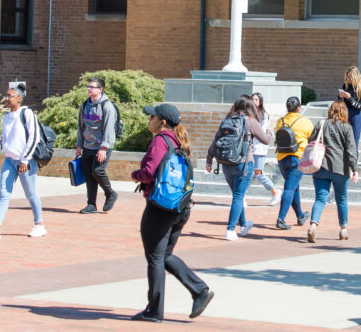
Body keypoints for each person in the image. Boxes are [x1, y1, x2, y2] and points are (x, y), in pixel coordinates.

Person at [130, 103, 214, 323]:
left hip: (160, 208)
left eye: (152, 117)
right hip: (179, 206)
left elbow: (148, 173)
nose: (149, 120)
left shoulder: (160, 140)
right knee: (163, 256)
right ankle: (199, 291)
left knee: (155, 258)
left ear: (162, 122)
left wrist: (135, 174)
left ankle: (154, 311)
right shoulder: (179, 141)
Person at [0, 85, 46, 239]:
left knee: (30, 194)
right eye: (6, 95)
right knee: (4, 193)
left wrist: (25, 159)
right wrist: (6, 148)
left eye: (9, 96)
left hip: (26, 162)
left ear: (19, 98)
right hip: (9, 161)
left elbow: (34, 137)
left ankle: (39, 224)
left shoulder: (27, 114)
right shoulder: (6, 117)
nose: (6, 98)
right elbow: (4, 136)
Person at [205, 96, 272, 240]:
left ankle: (243, 225)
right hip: (244, 163)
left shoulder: (226, 120)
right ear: (250, 107)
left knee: (237, 195)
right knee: (238, 196)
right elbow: (265, 140)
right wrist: (269, 132)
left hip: (226, 162)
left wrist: (209, 158)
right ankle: (230, 230)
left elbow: (216, 139)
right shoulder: (250, 121)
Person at [305, 99, 358, 243]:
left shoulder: (321, 124)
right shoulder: (347, 127)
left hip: (320, 166)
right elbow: (351, 150)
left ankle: (313, 225)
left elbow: (311, 141)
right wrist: (354, 169)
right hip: (340, 168)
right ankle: (343, 229)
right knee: (341, 199)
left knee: (320, 198)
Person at [75, 76, 120, 214]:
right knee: (89, 174)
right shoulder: (85, 105)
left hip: (102, 147)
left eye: (92, 87)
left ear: (100, 89)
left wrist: (103, 148)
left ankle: (110, 193)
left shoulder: (107, 106)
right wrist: (79, 145)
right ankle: (91, 204)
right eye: (88, 87)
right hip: (88, 145)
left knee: (97, 171)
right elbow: (81, 126)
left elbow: (109, 129)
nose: (89, 89)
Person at [272, 96, 314, 230]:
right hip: (297, 158)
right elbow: (312, 138)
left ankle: (300, 215)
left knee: (293, 187)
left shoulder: (280, 121)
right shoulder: (305, 122)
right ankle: (281, 218)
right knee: (289, 188)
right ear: (299, 108)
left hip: (281, 158)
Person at [249, 92, 279, 206]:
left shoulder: (263, 115)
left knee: (259, 172)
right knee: (247, 172)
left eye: (256, 99)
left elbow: (260, 131)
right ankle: (241, 197)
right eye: (252, 99)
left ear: (260, 101)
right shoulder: (249, 113)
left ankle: (275, 192)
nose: (254, 101)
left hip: (259, 146)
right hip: (250, 147)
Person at [337, 66, 361, 152]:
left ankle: (353, 164)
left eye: (350, 77)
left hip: (356, 116)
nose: (348, 79)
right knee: (343, 142)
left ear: (355, 77)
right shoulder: (345, 86)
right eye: (347, 76)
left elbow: (360, 106)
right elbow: (340, 102)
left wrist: (349, 98)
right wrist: (340, 96)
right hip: (345, 114)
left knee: (354, 143)